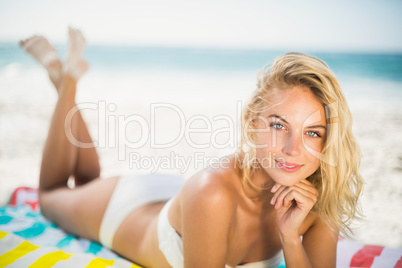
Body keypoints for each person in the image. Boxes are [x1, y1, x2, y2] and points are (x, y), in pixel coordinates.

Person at [20, 27, 363, 268]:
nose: (293, 149)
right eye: (278, 125)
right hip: (131, 208)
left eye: (313, 133)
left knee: (85, 180)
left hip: (180, 198)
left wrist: (290, 239)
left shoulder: (318, 202)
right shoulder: (212, 193)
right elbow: (210, 192)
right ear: (252, 123)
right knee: (50, 195)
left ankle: (66, 79)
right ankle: (65, 81)